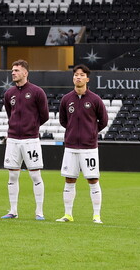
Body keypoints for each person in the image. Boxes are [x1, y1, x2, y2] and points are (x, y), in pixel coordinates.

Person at [57, 64, 108, 224]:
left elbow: (103, 121)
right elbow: (63, 121)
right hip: (70, 147)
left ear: (87, 79)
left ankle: (96, 215)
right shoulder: (66, 99)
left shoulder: (95, 99)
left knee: (93, 180)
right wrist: (73, 132)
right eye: (76, 75)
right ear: (73, 78)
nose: (78, 77)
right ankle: (68, 214)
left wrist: (90, 132)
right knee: (69, 180)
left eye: (81, 75)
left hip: (89, 148)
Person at [1, 59, 49, 220]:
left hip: (31, 140)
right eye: (12, 70)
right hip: (13, 139)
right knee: (12, 176)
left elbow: (44, 116)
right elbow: (10, 113)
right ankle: (13, 211)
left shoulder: (37, 92)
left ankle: (39, 212)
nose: (13, 73)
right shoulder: (9, 94)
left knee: (35, 175)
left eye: (16, 70)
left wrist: (31, 126)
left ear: (25, 73)